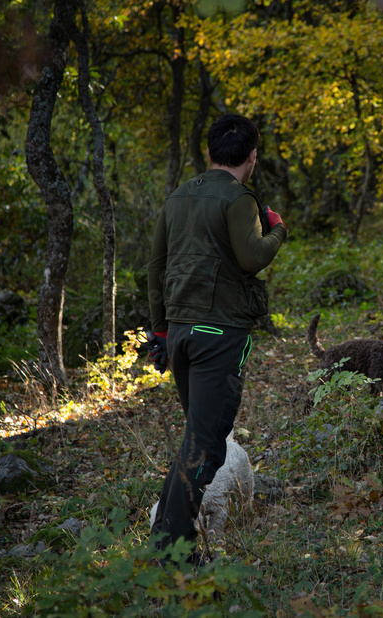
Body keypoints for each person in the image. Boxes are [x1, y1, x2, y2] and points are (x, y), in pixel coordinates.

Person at [146, 113, 287, 562]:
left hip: (181, 335)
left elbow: (155, 268)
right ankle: (174, 554)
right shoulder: (238, 198)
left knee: (196, 438)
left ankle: (166, 542)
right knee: (206, 445)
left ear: (209, 154)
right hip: (218, 335)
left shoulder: (177, 198)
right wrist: (278, 228)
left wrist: (161, 331)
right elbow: (252, 257)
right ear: (252, 156)